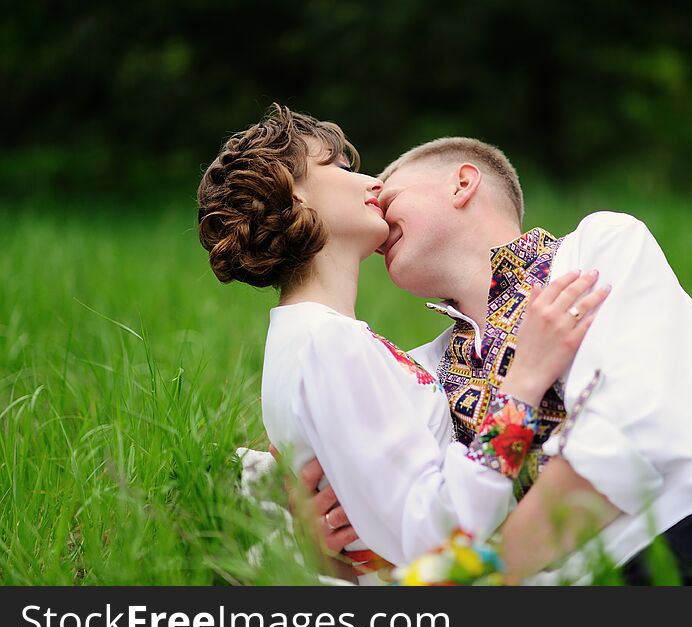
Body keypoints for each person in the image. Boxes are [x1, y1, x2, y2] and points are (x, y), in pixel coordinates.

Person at [308, 136, 692, 585]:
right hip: (603, 582)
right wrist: (334, 524)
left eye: (391, 195)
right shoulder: (419, 375)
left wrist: (485, 578)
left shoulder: (597, 249)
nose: (378, 217)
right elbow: (422, 523)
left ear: (462, 183)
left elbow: (637, 427)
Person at [196, 104, 610, 583]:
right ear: (291, 189)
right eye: (340, 167)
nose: (375, 185)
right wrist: (522, 386)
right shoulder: (326, 342)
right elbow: (437, 532)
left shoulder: (311, 339)